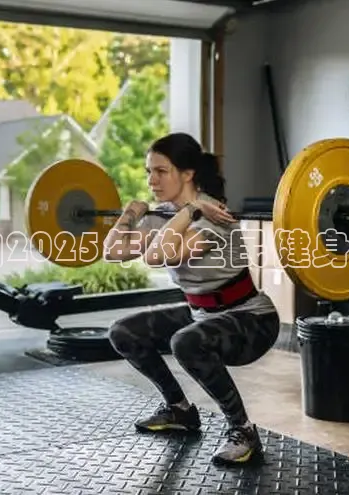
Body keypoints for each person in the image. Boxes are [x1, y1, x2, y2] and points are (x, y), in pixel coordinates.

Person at [102, 132, 279, 466]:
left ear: (187, 173)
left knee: (185, 342)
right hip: (202, 314)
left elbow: (159, 255)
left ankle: (243, 431)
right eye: (148, 172)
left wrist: (194, 209)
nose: (151, 181)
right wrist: (129, 214)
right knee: (123, 332)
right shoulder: (164, 215)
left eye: (161, 171)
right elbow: (112, 251)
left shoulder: (215, 215)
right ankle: (179, 410)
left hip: (252, 321)